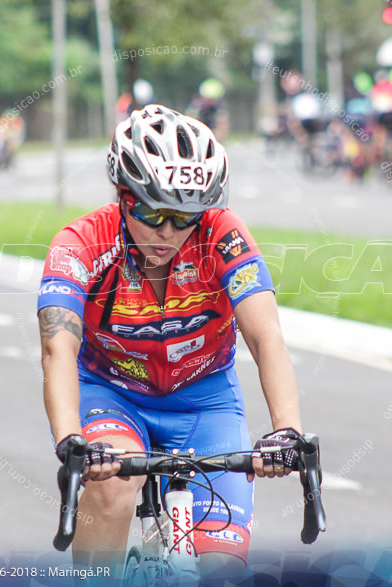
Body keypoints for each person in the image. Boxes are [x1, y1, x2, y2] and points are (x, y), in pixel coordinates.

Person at [37, 104, 304, 576]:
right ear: (123, 196)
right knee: (114, 485)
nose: (168, 232)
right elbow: (58, 348)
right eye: (153, 212)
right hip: (112, 396)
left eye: (186, 217)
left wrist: (286, 429)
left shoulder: (223, 237)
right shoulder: (81, 244)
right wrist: (71, 440)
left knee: (224, 568)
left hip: (206, 401)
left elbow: (266, 338)